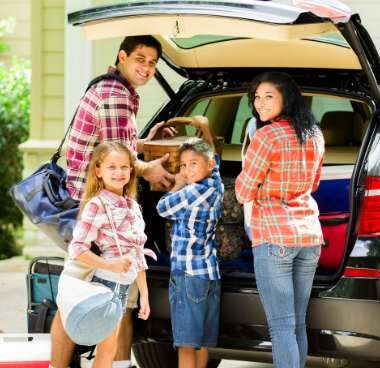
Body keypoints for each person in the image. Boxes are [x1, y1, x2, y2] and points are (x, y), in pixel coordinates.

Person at [50, 35, 174, 368]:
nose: (146, 68)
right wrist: (149, 169)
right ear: (122, 56)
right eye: (140, 59)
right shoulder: (115, 95)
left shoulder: (112, 89)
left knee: (111, 297)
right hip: (96, 207)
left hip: (106, 205)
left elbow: (117, 148)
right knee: (81, 295)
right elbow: (120, 158)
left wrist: (145, 143)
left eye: (152, 63)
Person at [235, 71, 325, 368]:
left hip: (274, 238)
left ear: (287, 98)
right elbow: (313, 185)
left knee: (282, 327)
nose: (260, 103)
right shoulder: (315, 134)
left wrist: (259, 185)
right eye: (257, 97)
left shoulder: (266, 136)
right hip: (310, 237)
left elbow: (243, 192)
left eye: (268, 96)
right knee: (297, 323)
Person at [67, 141, 156, 368]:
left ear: (131, 169)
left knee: (109, 350)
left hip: (123, 288)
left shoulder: (132, 205)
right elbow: (77, 249)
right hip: (106, 285)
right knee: (106, 351)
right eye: (112, 167)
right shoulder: (96, 204)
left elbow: (137, 254)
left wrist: (144, 295)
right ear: (98, 170)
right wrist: (111, 266)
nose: (119, 172)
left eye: (124, 167)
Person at [156, 116, 224, 368]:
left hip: (187, 276)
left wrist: (177, 183)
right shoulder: (215, 184)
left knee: (185, 343)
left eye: (192, 164)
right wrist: (205, 127)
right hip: (209, 275)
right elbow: (214, 157)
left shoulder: (190, 191)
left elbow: (162, 208)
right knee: (202, 341)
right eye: (183, 165)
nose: (186, 170)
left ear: (205, 165)